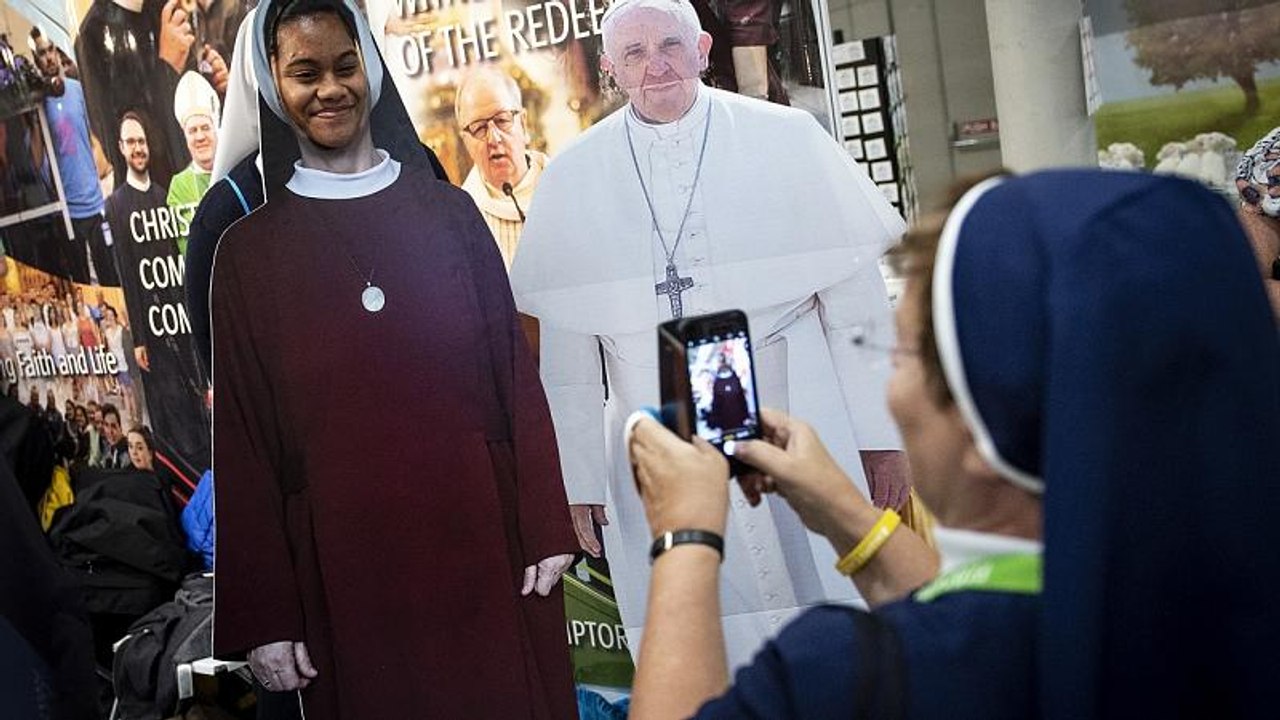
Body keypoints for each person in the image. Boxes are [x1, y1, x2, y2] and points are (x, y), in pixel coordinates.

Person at [624, 169, 1280, 718]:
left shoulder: (838, 680)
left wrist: (686, 537)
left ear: (978, 420)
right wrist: (844, 511)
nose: (890, 391)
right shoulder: (1221, 615)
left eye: (900, 352)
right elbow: (1006, 613)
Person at [512, 0, 911, 669]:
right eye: (634, 54)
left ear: (701, 49)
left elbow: (855, 306)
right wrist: (578, 481)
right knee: (700, 638)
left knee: (832, 606)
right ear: (609, 69)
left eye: (669, 45)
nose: (655, 66)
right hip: (654, 429)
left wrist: (881, 440)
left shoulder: (788, 137)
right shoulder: (572, 177)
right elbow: (571, 356)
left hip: (795, 406)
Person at [210, 2, 577, 717]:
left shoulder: (450, 216)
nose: (330, 89)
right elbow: (244, 446)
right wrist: (266, 614)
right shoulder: (248, 258)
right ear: (272, 85)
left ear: (370, 69)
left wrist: (544, 522)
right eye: (304, 73)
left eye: (346, 66)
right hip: (350, 573)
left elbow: (514, 378)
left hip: (483, 547)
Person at [29, 29, 116, 286]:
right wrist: (35, 120)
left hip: (95, 202)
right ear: (36, 61)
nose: (48, 58)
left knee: (109, 275)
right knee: (82, 283)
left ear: (57, 52)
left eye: (50, 50)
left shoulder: (78, 90)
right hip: (68, 212)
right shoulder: (38, 104)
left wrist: (103, 177)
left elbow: (91, 136)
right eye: (41, 54)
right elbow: (35, 161)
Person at [456, 67, 548, 269]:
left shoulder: (565, 188)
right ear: (466, 143)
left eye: (502, 120)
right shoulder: (459, 224)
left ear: (523, 124)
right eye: (479, 128)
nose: (494, 138)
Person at [168, 72, 221, 256]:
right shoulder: (179, 185)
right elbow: (187, 249)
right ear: (185, 137)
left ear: (216, 129)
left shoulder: (233, 169)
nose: (200, 137)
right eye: (192, 130)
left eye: (205, 128)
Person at [98, 402, 129, 468]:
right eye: (106, 425)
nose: (110, 431)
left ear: (120, 427)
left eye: (113, 426)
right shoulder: (107, 448)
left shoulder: (128, 451)